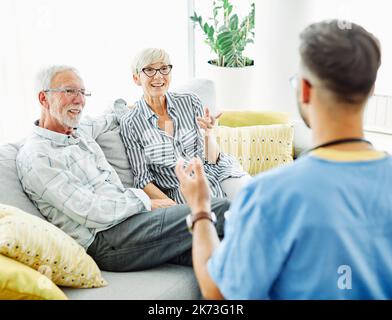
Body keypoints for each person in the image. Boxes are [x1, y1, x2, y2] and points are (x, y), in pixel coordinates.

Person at [175, 20, 392, 299]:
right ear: (371, 89)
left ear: (303, 89)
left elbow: (217, 292)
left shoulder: (269, 195)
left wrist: (201, 210)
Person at [16, 65, 230, 272]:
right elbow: (92, 211)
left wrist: (136, 111)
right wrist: (147, 202)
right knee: (220, 210)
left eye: (82, 92)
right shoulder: (38, 156)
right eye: (69, 91)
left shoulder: (77, 130)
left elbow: (111, 116)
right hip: (107, 238)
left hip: (130, 222)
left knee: (221, 250)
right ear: (43, 98)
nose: (80, 100)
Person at [116, 48, 250, 204]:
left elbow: (212, 160)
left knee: (258, 200)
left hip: (221, 174)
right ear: (136, 78)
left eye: (164, 69)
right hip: (182, 189)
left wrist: (208, 133)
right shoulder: (131, 122)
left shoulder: (190, 101)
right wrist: (172, 208)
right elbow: (143, 179)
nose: (159, 76)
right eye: (150, 70)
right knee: (216, 216)